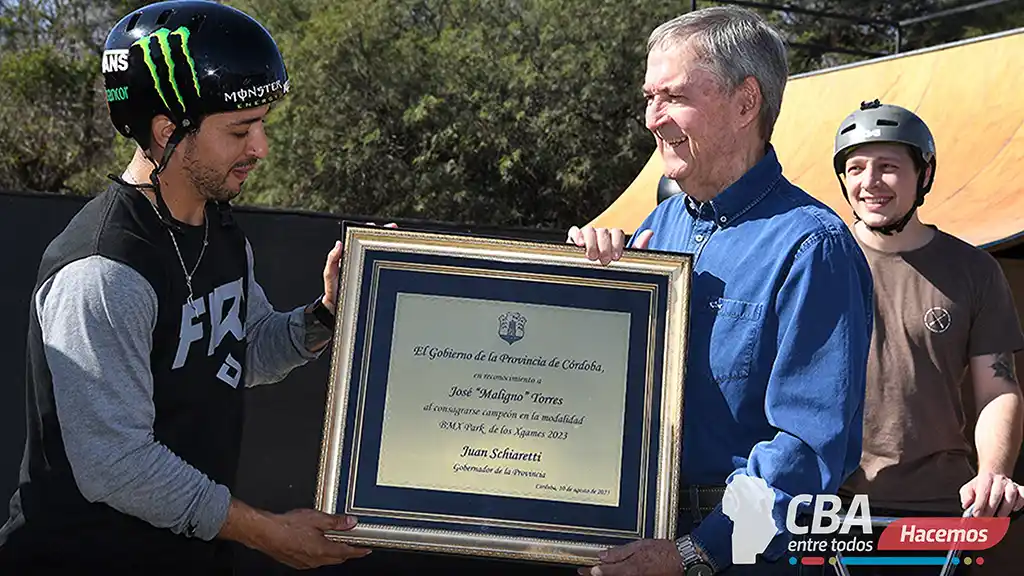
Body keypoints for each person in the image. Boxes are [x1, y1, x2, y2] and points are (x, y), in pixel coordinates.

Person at [0, 2, 371, 573]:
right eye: (240, 129)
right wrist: (268, 533)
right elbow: (117, 464)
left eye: (262, 124)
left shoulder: (218, 228)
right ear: (167, 131)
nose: (261, 147)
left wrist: (326, 316)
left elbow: (242, 353)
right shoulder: (103, 271)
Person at [567, 6, 874, 575]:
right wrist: (587, 289)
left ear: (745, 102)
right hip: (636, 541)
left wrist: (697, 553)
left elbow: (805, 453)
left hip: (743, 559)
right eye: (649, 98)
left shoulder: (812, 246)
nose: (652, 118)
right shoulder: (656, 229)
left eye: (673, 97)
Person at [831, 100, 1024, 574]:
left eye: (888, 167)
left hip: (941, 511)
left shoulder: (974, 271)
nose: (870, 182)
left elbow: (998, 389)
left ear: (925, 174)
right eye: (856, 168)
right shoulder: (818, 261)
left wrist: (993, 473)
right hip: (828, 507)